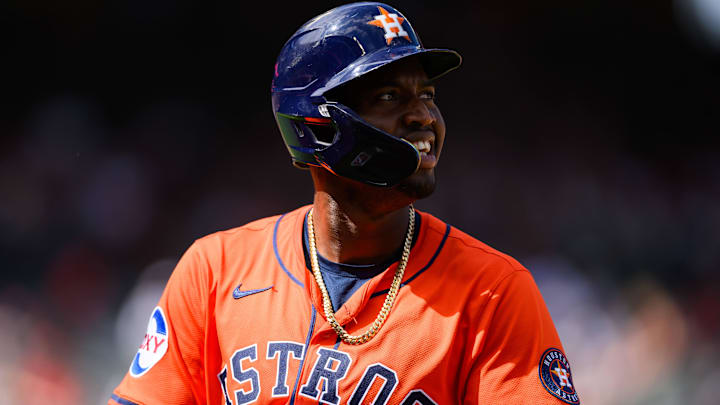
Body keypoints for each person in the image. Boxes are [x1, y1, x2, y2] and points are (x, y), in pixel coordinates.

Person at [109, 3, 580, 404]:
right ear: (318, 125)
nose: (423, 116)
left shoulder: (493, 292)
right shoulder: (214, 272)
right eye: (391, 96)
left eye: (428, 95)